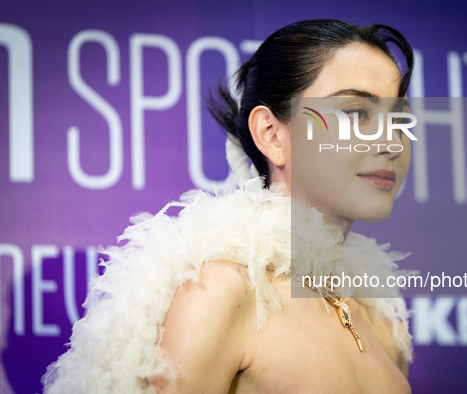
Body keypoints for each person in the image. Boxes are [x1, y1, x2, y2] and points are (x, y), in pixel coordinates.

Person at [43, 19, 414, 393]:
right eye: (355, 114)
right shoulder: (223, 291)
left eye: (399, 119)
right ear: (271, 135)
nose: (392, 142)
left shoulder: (384, 325)